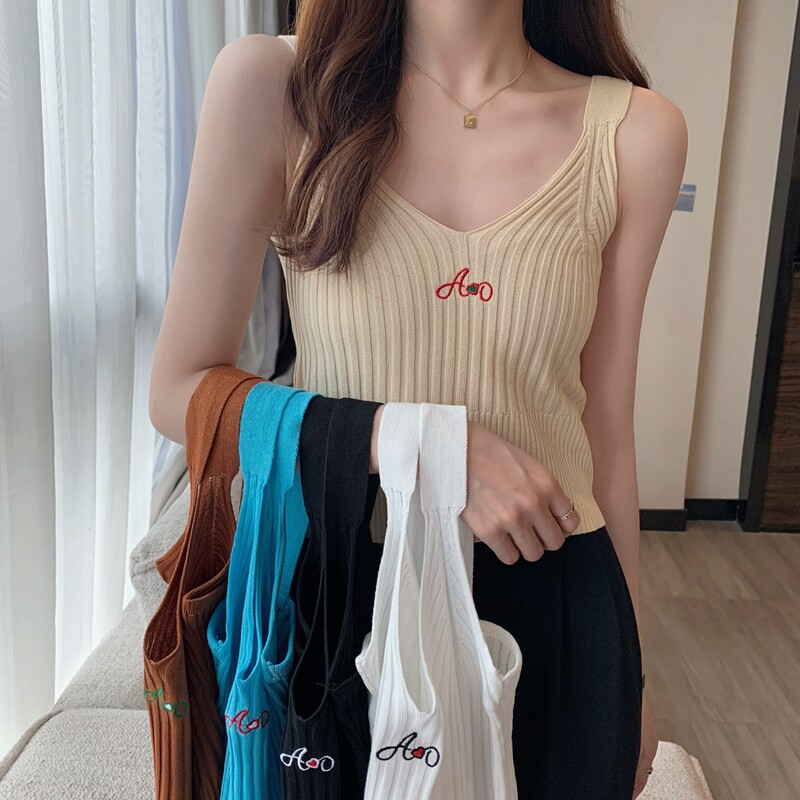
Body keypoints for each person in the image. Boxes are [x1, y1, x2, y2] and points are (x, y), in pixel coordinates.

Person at [149, 2, 687, 797]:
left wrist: (629, 674)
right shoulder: (278, 87)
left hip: (556, 604)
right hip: (343, 597)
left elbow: (606, 430)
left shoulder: (635, 133)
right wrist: (422, 446)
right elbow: (178, 391)